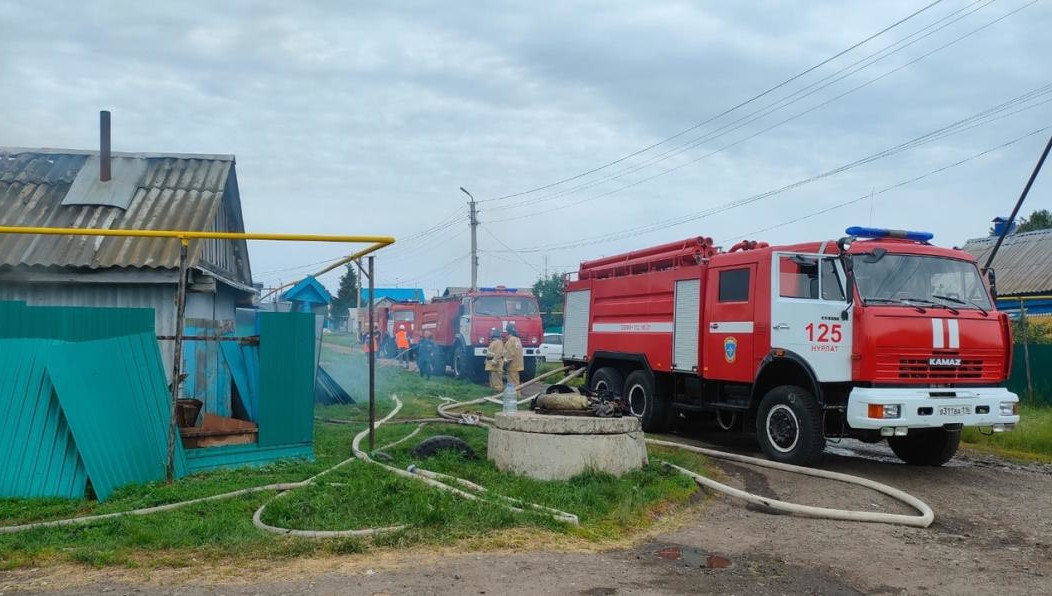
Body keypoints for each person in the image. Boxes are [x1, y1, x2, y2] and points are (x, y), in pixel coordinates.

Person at [503, 324, 524, 390]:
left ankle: (515, 396)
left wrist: (504, 364)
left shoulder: (510, 341)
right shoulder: (518, 340)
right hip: (518, 364)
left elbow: (509, 355)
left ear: (508, 332)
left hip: (511, 365)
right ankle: (517, 396)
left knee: (512, 382)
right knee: (516, 381)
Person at [484, 327, 505, 392]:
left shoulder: (498, 342)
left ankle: (498, 392)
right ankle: (494, 391)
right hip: (491, 364)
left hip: (496, 364)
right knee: (493, 379)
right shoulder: (494, 342)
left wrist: (494, 360)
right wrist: (486, 360)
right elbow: (490, 352)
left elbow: (499, 353)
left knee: (497, 379)